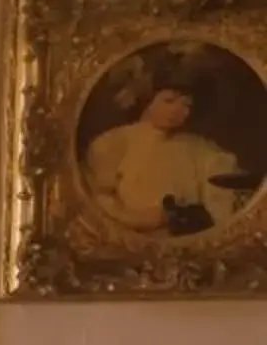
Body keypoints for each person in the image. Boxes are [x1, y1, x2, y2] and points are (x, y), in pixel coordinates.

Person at [83, 60, 253, 235]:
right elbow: (99, 201)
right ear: (146, 100)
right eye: (169, 101)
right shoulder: (112, 143)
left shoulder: (202, 149)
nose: (177, 110)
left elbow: (221, 206)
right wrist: (141, 219)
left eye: (187, 105)